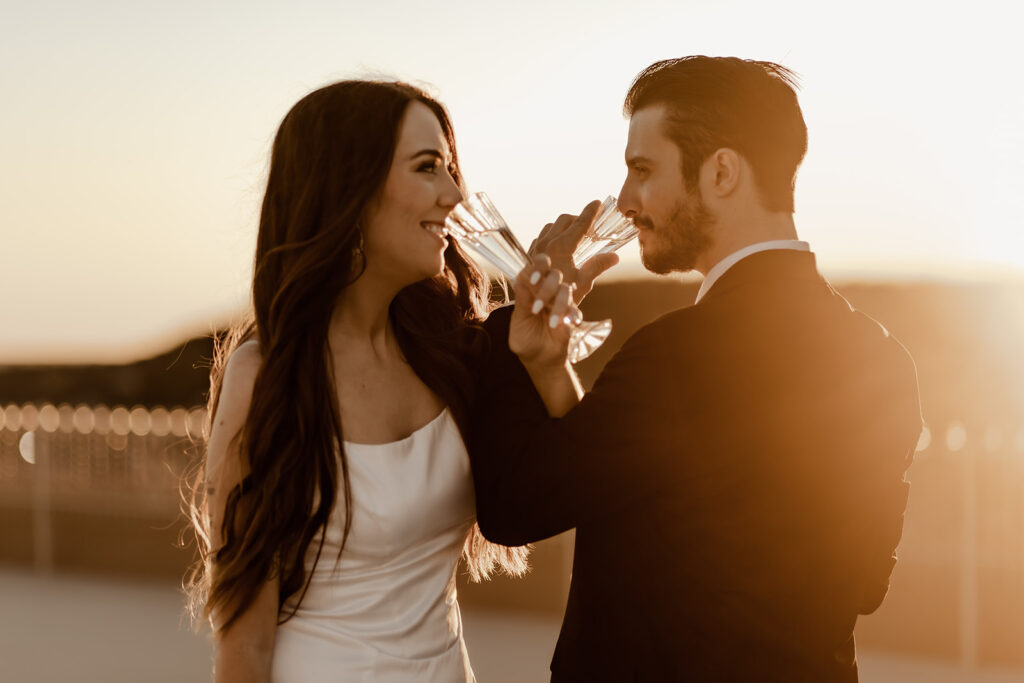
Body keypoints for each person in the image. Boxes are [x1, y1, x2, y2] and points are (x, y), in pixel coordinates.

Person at [469, 56, 923, 681]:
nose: (624, 201)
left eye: (642, 170)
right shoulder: (886, 359)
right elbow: (865, 586)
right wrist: (551, 369)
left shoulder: (676, 355)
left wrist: (514, 322)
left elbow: (513, 505)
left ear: (721, 172)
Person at [183, 80, 597, 682]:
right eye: (428, 167)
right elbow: (243, 649)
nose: (454, 193)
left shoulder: (450, 352)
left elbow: (576, 474)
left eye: (450, 168)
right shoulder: (269, 377)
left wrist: (547, 364)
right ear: (349, 185)